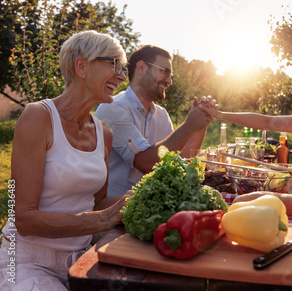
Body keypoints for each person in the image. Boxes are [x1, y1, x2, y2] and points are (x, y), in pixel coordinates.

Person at [0, 31, 131, 290]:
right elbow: (23, 219)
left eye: (123, 68)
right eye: (114, 64)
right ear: (82, 66)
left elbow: (97, 202)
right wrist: (104, 220)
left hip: (81, 261)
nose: (121, 76)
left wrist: (143, 197)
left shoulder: (103, 133)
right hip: (26, 262)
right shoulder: (38, 117)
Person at [95, 45, 216, 196]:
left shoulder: (162, 114)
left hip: (150, 204)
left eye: (171, 76)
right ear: (141, 68)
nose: (169, 81)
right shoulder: (114, 108)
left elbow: (182, 159)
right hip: (115, 210)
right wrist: (189, 126)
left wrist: (201, 123)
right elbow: (147, 163)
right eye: (164, 72)